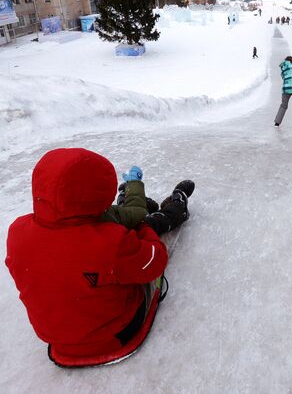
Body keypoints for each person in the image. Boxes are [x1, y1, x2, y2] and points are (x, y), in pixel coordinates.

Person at [5, 148, 194, 368]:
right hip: (116, 336)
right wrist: (141, 229)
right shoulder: (111, 242)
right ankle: (175, 209)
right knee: (148, 226)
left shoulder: (17, 231)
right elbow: (155, 261)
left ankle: (138, 204)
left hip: (58, 341)